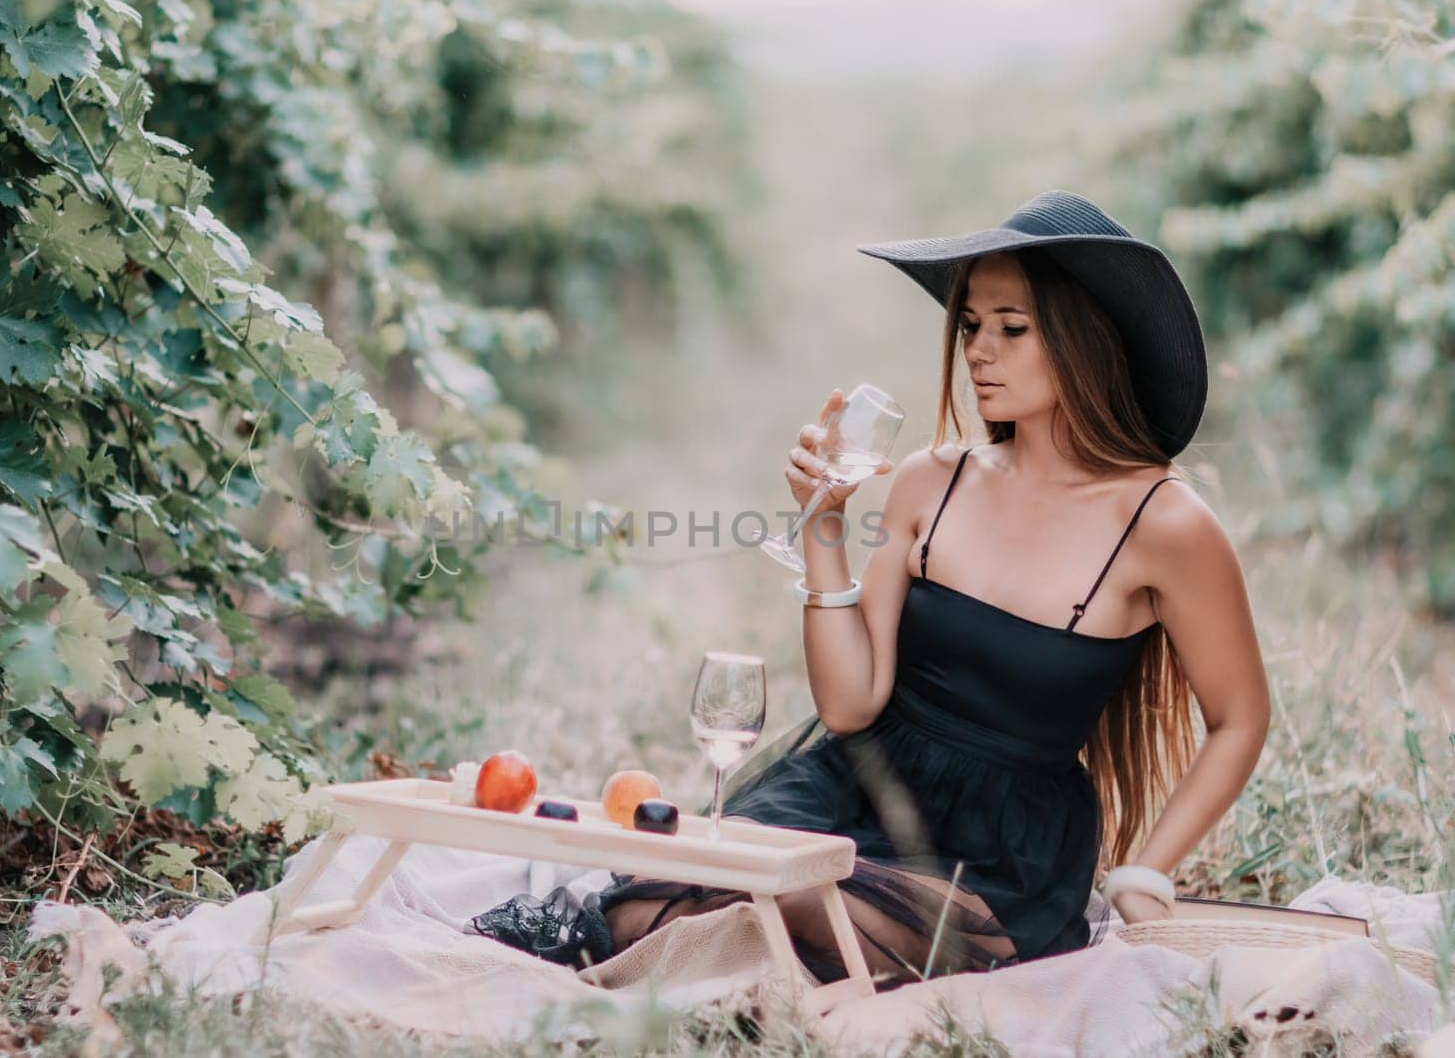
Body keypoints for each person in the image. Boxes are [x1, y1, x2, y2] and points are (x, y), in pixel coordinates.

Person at [470, 190, 1273, 989]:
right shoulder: (932, 480)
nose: (978, 352)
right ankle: (568, 934)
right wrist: (824, 522)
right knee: (689, 901)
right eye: (969, 326)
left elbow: (1240, 717)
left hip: (999, 853)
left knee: (796, 903)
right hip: (853, 783)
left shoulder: (1166, 523)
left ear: (1085, 342)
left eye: (1011, 328)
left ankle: (620, 935)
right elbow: (852, 704)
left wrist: (1145, 873)